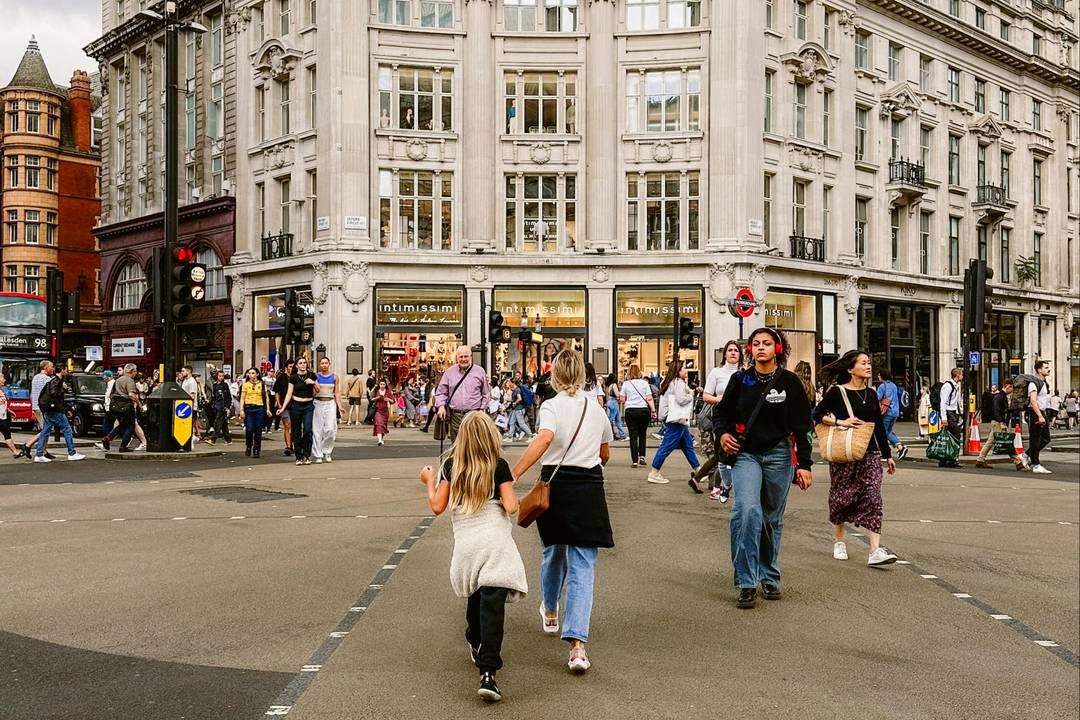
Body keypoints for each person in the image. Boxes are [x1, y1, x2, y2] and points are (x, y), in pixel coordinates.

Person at [511, 350, 613, 674]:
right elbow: (605, 453)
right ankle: (578, 647)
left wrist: (513, 474)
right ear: (583, 377)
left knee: (553, 550)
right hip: (588, 486)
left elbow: (544, 439)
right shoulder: (597, 410)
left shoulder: (551, 406)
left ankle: (551, 608)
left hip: (555, 484)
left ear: (554, 377)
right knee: (584, 564)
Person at [420, 411, 526, 704]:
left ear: (461, 439)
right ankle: (488, 673)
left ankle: (475, 640)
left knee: (477, 595)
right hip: (495, 545)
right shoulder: (499, 466)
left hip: (468, 546)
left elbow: (437, 506)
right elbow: (512, 506)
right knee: (492, 604)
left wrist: (429, 479)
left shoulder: (452, 466)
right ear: (492, 436)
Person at [714, 327, 813, 609]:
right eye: (755, 344)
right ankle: (746, 580)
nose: (760, 348)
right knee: (746, 510)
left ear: (777, 349)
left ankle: (768, 574)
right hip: (746, 455)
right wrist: (722, 434)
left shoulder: (789, 382)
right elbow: (721, 414)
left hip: (779, 455)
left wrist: (804, 465)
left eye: (766, 343)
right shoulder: (740, 379)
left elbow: (803, 426)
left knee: (771, 518)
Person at [815, 351, 898, 568]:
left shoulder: (871, 393)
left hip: (869, 453)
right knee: (841, 497)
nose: (869, 366)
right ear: (851, 369)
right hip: (845, 453)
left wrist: (887, 455)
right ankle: (840, 541)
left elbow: (878, 426)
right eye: (864, 363)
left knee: (873, 496)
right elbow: (816, 414)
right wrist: (841, 422)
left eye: (869, 363)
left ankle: (875, 550)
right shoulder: (837, 392)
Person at [696, 340, 742, 503]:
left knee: (740, 453)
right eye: (730, 350)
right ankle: (725, 484)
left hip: (741, 418)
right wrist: (718, 399)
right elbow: (706, 396)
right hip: (721, 416)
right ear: (725, 354)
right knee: (722, 455)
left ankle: (731, 486)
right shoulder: (716, 372)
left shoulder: (745, 373)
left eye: (736, 350)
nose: (733, 353)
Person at [647, 360, 701, 488]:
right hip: (676, 419)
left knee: (687, 445)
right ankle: (654, 472)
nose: (686, 371)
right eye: (683, 369)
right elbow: (681, 399)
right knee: (667, 446)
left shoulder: (670, 382)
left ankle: (699, 470)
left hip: (671, 417)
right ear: (678, 371)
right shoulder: (678, 383)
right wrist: (691, 396)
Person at [435, 346, 491, 442]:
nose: (463, 359)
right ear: (457, 358)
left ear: (471, 356)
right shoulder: (449, 372)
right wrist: (441, 406)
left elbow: (486, 393)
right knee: (457, 446)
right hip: (456, 416)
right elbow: (441, 392)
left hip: (474, 415)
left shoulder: (480, 371)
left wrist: (482, 409)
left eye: (466, 356)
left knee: (473, 446)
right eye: (461, 357)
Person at [33, 366, 86, 463]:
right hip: (55, 410)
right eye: (65, 370)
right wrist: (63, 389)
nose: (66, 372)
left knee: (45, 431)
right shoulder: (56, 381)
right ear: (61, 371)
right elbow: (54, 393)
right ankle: (72, 453)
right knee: (67, 429)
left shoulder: (54, 380)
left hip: (50, 409)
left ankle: (39, 454)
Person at [277, 356, 319, 465]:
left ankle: (307, 454)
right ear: (297, 365)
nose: (303, 365)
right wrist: (282, 408)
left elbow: (318, 390)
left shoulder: (312, 375)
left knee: (308, 430)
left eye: (304, 363)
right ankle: (298, 456)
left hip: (308, 406)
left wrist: (313, 383)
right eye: (300, 363)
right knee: (296, 431)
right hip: (296, 405)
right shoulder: (293, 377)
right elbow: (289, 394)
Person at [976, 382, 1025, 470]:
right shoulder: (999, 397)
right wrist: (1002, 422)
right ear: (1008, 387)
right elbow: (996, 411)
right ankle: (1018, 462)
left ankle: (980, 460)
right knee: (1007, 441)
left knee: (992, 441)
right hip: (998, 423)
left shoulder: (1002, 396)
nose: (1012, 390)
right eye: (1011, 388)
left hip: (998, 422)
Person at [619, 364, 655, 467]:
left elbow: (622, 399)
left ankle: (634, 460)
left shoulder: (626, 384)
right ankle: (642, 456)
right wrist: (653, 410)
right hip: (643, 410)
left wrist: (628, 400)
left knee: (633, 436)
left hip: (630, 410)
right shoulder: (644, 383)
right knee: (642, 434)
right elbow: (649, 398)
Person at [313, 357, 346, 463]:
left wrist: (340, 406)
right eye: (322, 363)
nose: (324, 365)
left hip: (330, 403)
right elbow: (313, 392)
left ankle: (327, 451)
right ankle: (318, 455)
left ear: (329, 364)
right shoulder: (316, 376)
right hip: (317, 403)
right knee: (317, 430)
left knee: (330, 429)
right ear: (319, 365)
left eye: (326, 363)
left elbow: (337, 393)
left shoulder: (335, 377)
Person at [100, 364, 140, 452]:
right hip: (126, 407)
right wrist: (139, 404)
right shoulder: (130, 381)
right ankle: (123, 446)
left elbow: (111, 394)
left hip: (115, 407)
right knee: (130, 425)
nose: (136, 373)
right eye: (135, 371)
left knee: (122, 425)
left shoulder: (117, 380)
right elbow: (131, 395)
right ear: (132, 371)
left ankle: (107, 438)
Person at [23, 360, 55, 459]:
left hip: (36, 406)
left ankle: (45, 450)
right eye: (51, 367)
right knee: (45, 429)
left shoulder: (35, 377)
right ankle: (28, 445)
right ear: (45, 368)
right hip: (43, 407)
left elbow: (33, 393)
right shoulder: (47, 379)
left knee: (46, 429)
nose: (52, 369)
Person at [1025, 360, 1053, 474]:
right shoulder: (1034, 383)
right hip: (1035, 413)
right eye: (1046, 367)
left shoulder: (1044, 383)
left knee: (1046, 439)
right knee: (1035, 440)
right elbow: (1033, 400)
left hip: (1042, 412)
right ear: (1039, 370)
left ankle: (1026, 455)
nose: (1048, 369)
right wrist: (1039, 415)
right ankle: (1036, 464)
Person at [875, 370, 909, 460]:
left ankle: (890, 451)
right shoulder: (893, 385)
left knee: (883, 432)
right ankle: (900, 447)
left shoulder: (882, 386)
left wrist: (873, 391)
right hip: (895, 411)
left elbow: (877, 397)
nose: (878, 377)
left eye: (879, 375)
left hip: (887, 411)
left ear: (882, 376)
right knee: (888, 431)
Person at [239, 367, 270, 458]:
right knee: (249, 429)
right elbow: (242, 398)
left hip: (259, 408)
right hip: (249, 408)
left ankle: (256, 449)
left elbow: (266, 397)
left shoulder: (262, 384)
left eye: (253, 373)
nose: (251, 375)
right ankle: (249, 445)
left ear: (257, 374)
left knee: (258, 430)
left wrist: (267, 409)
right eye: (249, 373)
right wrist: (241, 410)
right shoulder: (246, 384)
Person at [937, 368, 964, 469]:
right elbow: (943, 403)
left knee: (950, 437)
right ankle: (952, 460)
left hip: (953, 414)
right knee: (955, 436)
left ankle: (944, 460)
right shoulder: (947, 386)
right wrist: (944, 418)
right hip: (948, 414)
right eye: (961, 374)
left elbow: (954, 402)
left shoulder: (956, 386)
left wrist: (958, 413)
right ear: (957, 375)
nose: (962, 376)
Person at [0, 372, 27, 459]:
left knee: (7, 433)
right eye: (2, 378)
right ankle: (15, 452)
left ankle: (15, 452)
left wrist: (8, 410)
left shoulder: (1, 390)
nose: (4, 379)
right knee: (7, 433)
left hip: (2, 417)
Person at [274, 360, 296, 455]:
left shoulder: (296, 377)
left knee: (294, 426)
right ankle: (288, 446)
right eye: (290, 366)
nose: (292, 368)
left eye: (293, 367)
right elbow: (277, 392)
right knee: (287, 425)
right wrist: (279, 404)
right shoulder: (281, 378)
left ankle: (293, 443)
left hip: (296, 404)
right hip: (284, 405)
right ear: (286, 367)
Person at [205, 370, 233, 445]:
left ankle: (213, 439)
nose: (221, 377)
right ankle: (228, 439)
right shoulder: (215, 385)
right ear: (217, 376)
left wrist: (228, 406)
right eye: (220, 376)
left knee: (217, 423)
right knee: (223, 424)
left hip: (222, 406)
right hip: (216, 406)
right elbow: (214, 396)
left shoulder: (225, 385)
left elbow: (228, 396)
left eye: (222, 376)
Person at [179, 367, 203, 443]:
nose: (181, 373)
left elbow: (192, 396)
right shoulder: (185, 381)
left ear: (188, 372)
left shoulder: (192, 382)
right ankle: (192, 437)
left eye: (183, 371)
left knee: (189, 423)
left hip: (191, 407)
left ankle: (192, 437)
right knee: (187, 424)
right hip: (185, 406)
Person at [604, 373, 628, 441]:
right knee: (610, 419)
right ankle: (604, 434)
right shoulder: (614, 385)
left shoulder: (608, 386)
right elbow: (617, 394)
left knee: (618, 420)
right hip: (614, 402)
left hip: (610, 401)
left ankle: (622, 435)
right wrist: (620, 396)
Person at [371, 378, 394, 446]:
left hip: (385, 411)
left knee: (383, 425)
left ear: (385, 385)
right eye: (381, 384)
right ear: (379, 384)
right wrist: (377, 397)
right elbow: (371, 399)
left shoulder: (388, 392)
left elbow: (393, 401)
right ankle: (379, 440)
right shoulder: (376, 391)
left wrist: (388, 399)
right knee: (379, 424)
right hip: (378, 410)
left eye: (383, 384)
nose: (382, 385)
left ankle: (381, 438)